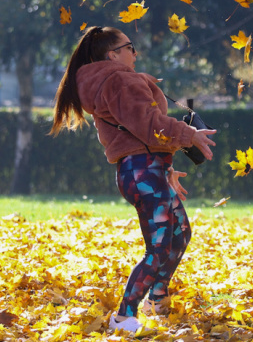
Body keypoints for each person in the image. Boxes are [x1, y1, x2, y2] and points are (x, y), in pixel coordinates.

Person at [50, 26, 217, 334]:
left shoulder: (112, 81)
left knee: (180, 234)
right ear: (113, 54)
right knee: (158, 248)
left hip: (147, 170)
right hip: (143, 173)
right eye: (130, 47)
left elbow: (139, 134)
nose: (135, 53)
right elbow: (148, 124)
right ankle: (124, 315)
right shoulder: (119, 80)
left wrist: (166, 168)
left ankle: (157, 297)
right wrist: (188, 134)